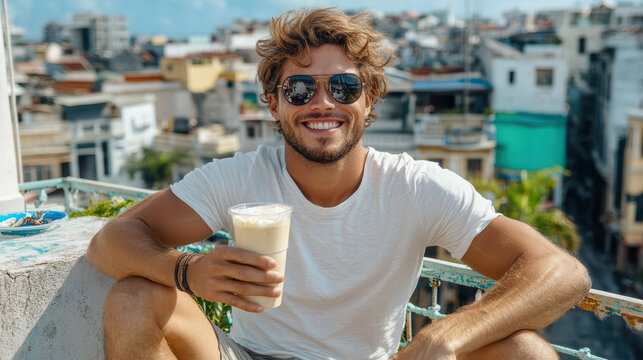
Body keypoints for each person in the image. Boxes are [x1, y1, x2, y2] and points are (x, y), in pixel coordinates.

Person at [87, 8, 591, 360]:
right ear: (274, 103)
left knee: (526, 352)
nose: (322, 103)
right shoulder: (239, 177)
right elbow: (112, 241)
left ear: (369, 100)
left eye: (344, 87)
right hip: (247, 355)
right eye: (300, 88)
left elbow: (563, 272)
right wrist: (186, 271)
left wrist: (447, 335)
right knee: (133, 300)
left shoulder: (414, 187)